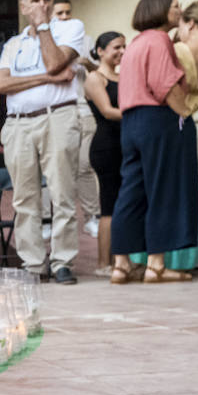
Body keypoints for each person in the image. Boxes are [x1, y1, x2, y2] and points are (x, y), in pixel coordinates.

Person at [131, 0, 198, 273]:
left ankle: (156, 259)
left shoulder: (177, 50)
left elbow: (162, 86)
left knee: (160, 188)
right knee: (192, 188)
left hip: (171, 120)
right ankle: (185, 257)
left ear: (189, 23)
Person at [0, 0, 84, 284]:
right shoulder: (13, 44)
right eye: (34, 0)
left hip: (56, 117)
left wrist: (45, 27)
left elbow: (57, 61)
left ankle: (62, 262)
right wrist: (48, 77)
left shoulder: (70, 30)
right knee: (25, 198)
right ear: (23, 7)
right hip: (18, 122)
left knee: (62, 192)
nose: (41, 5)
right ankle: (32, 263)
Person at [109, 0, 197, 285]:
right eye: (175, 5)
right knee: (164, 189)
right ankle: (156, 265)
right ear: (159, 10)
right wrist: (185, 113)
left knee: (131, 191)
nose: (180, 9)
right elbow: (164, 84)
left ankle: (120, 265)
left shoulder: (135, 44)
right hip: (158, 119)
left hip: (132, 121)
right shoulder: (160, 40)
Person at [54, 0, 103, 240]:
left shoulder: (85, 40)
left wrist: (88, 63)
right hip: (58, 112)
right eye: (59, 13)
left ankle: (92, 216)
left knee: (85, 165)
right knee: (56, 169)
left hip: (85, 109)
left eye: (67, 12)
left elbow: (101, 71)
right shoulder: (45, 42)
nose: (64, 17)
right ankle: (50, 220)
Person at [84, 32, 126, 275]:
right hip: (106, 146)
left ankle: (121, 258)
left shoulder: (123, 76)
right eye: (115, 47)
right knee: (109, 205)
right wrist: (140, 111)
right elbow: (108, 111)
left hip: (125, 143)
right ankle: (103, 263)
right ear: (100, 51)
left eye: (124, 47)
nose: (121, 51)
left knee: (124, 204)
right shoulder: (95, 78)